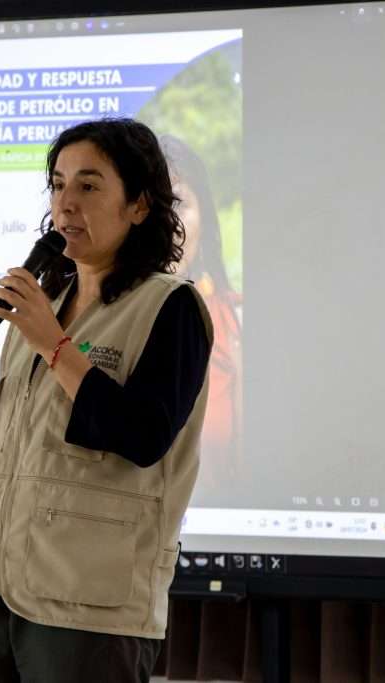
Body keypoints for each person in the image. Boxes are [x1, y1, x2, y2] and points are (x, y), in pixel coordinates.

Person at [0, 118, 213, 683]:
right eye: (57, 185)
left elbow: (143, 437)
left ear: (138, 206)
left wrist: (55, 346)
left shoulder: (169, 307)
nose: (66, 203)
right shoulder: (43, 305)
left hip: (87, 605)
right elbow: (30, 445)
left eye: (88, 186)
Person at [161, 135, 244, 504]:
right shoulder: (89, 327)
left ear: (205, 218)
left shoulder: (242, 324)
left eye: (177, 203)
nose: (162, 222)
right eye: (145, 205)